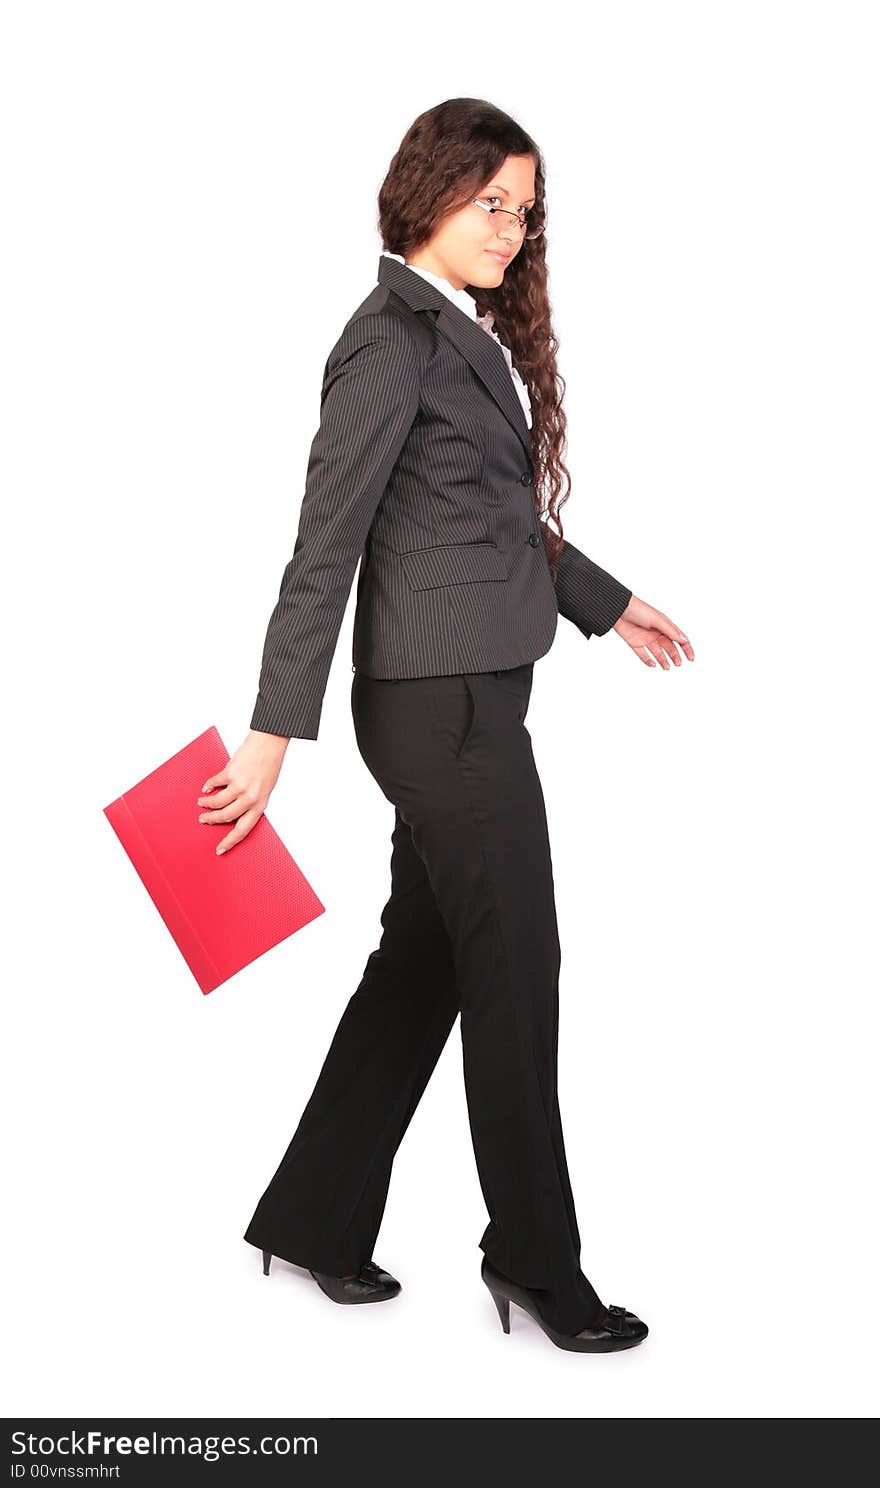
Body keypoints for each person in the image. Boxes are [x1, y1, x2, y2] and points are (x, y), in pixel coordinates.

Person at [197, 99, 694, 1353]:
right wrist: (270, 733)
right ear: (428, 189)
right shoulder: (386, 343)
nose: (513, 233)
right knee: (518, 968)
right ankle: (535, 1261)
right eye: (492, 205)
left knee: (423, 964)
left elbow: (478, 515)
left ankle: (310, 1215)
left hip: (478, 692)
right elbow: (326, 545)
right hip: (438, 712)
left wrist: (605, 598)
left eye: (526, 214)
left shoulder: (451, 336)